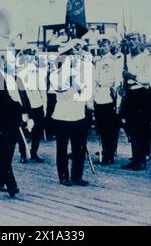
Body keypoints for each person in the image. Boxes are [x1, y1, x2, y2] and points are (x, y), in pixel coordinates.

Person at [0, 52, 33, 198]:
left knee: (6, 152)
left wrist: (28, 115)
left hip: (15, 123)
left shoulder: (17, 80)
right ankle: (11, 185)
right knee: (6, 152)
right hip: (0, 125)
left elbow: (25, 99)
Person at [50, 39, 91, 187]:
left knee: (79, 148)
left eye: (79, 51)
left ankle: (77, 176)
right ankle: (63, 176)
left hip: (78, 114)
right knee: (62, 148)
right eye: (73, 52)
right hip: (62, 115)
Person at [120, 31, 151, 171]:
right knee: (130, 126)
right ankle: (136, 157)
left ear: (140, 41)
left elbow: (149, 79)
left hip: (142, 93)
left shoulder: (147, 58)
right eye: (129, 40)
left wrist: (132, 76)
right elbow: (121, 75)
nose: (131, 42)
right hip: (130, 93)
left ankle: (140, 160)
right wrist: (121, 87)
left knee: (140, 127)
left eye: (134, 39)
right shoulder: (126, 57)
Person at [93, 35, 122, 165]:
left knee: (110, 127)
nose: (102, 47)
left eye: (105, 45)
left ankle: (110, 154)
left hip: (109, 95)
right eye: (100, 45)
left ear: (110, 46)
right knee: (101, 127)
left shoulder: (114, 60)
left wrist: (116, 96)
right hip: (99, 95)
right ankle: (105, 151)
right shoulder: (98, 61)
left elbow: (117, 79)